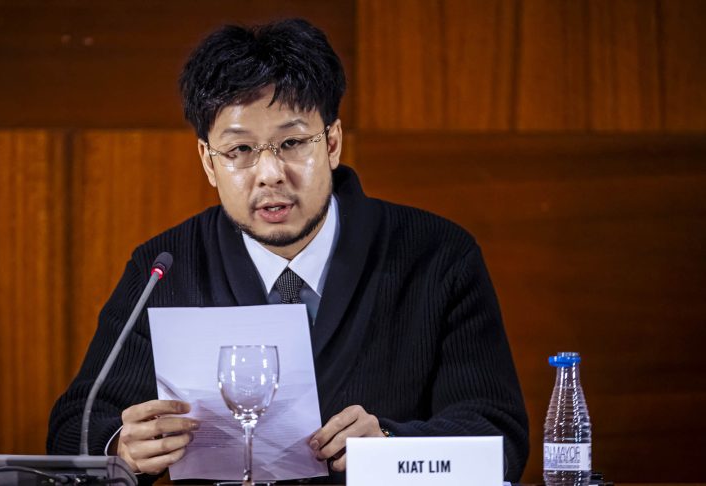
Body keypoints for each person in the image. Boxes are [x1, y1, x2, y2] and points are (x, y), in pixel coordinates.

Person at [47, 18, 529, 484]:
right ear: (208, 161)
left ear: (332, 143)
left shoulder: (437, 256)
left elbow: (499, 439)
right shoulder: (166, 268)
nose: (270, 174)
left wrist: (389, 444)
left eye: (293, 142)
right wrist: (122, 450)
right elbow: (74, 429)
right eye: (239, 151)